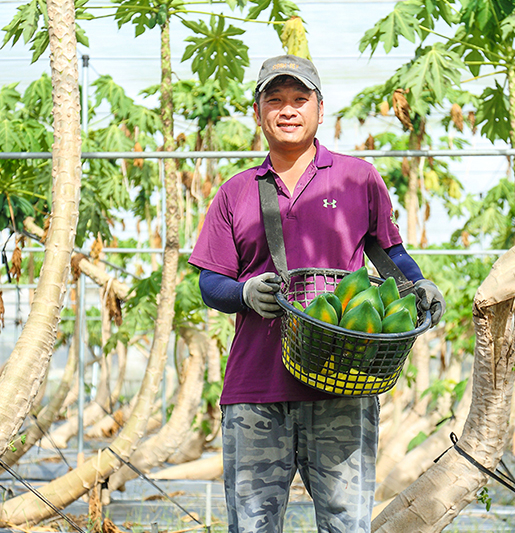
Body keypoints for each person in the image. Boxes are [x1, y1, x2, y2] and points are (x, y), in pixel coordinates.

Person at [188, 54, 445, 533]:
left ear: (320, 110)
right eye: (276, 99)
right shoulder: (236, 192)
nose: (288, 110)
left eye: (299, 99)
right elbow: (209, 282)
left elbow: (389, 253)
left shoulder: (357, 178)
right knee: (252, 525)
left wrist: (418, 283)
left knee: (346, 523)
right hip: (255, 390)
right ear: (258, 112)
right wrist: (244, 293)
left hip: (342, 385)